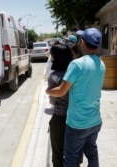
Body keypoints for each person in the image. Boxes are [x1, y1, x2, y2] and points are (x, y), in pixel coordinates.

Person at [46, 28, 105, 166]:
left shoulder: (76, 65)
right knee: (92, 152)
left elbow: (61, 91)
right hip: (95, 119)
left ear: (82, 42)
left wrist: (48, 91)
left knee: (71, 158)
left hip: (78, 122)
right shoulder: (101, 63)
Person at [47, 35, 83, 167]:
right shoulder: (76, 72)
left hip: (60, 117)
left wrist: (49, 91)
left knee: (57, 150)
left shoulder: (54, 76)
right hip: (76, 117)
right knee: (75, 150)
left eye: (52, 55)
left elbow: (52, 101)